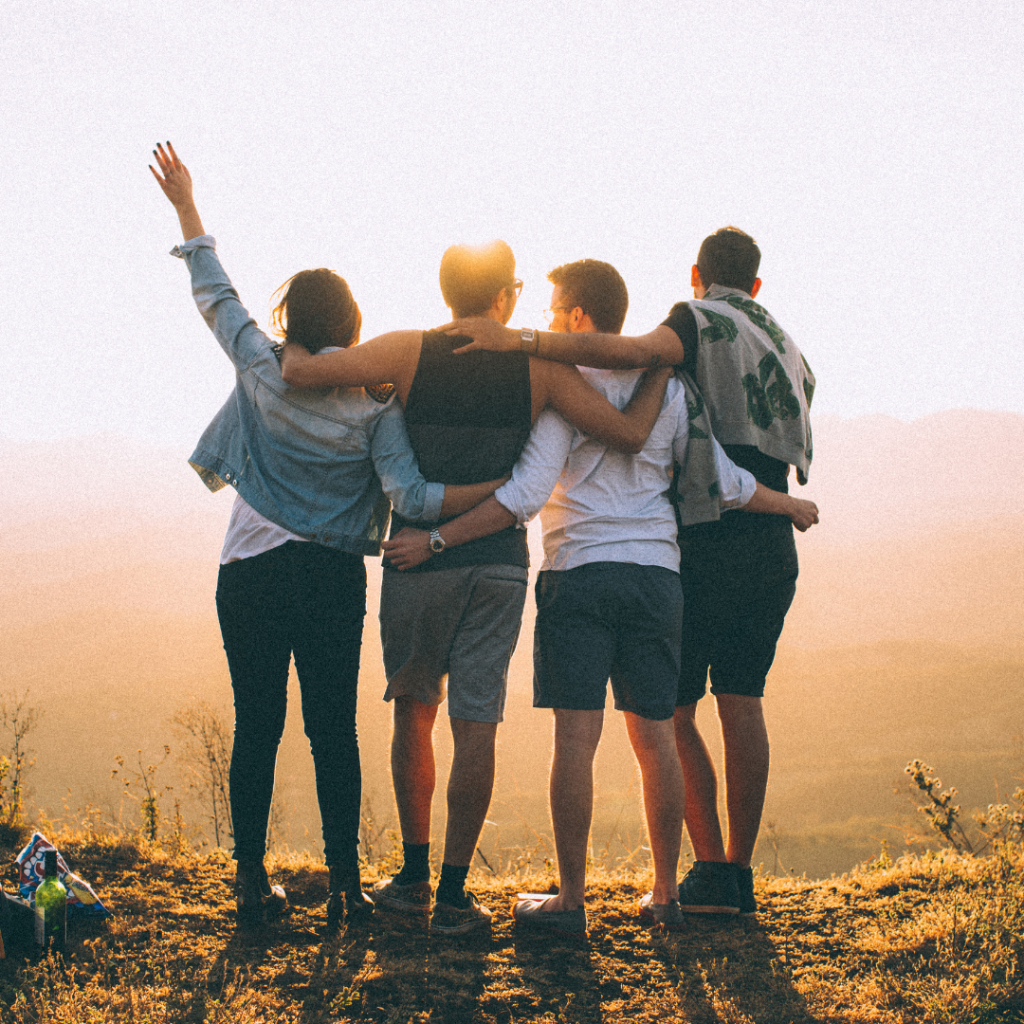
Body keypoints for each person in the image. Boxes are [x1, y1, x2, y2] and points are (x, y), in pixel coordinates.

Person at [384, 259, 817, 935]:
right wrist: (787, 504)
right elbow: (723, 480)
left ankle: (571, 901)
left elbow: (525, 496)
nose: (550, 322)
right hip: (658, 579)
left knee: (576, 742)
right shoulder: (668, 389)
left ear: (581, 318)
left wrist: (437, 539)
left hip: (580, 574)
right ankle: (667, 895)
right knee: (656, 741)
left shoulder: (564, 392)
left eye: (558, 311)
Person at [149, 142, 508, 931]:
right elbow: (410, 495)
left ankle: (250, 881)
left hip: (248, 567)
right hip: (332, 578)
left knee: (257, 724)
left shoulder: (261, 365)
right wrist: (504, 491)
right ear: (352, 326)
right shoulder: (374, 403)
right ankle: (346, 887)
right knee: (331, 730)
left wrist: (186, 206)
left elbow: (215, 294)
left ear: (289, 321)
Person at [279, 246, 669, 936]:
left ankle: (412, 878)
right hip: (498, 565)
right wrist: (666, 362)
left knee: (413, 710)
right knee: (476, 722)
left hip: (414, 562)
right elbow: (629, 434)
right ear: (504, 300)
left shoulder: (404, 352)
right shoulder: (540, 369)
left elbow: (305, 372)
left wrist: (294, 335)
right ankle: (456, 894)